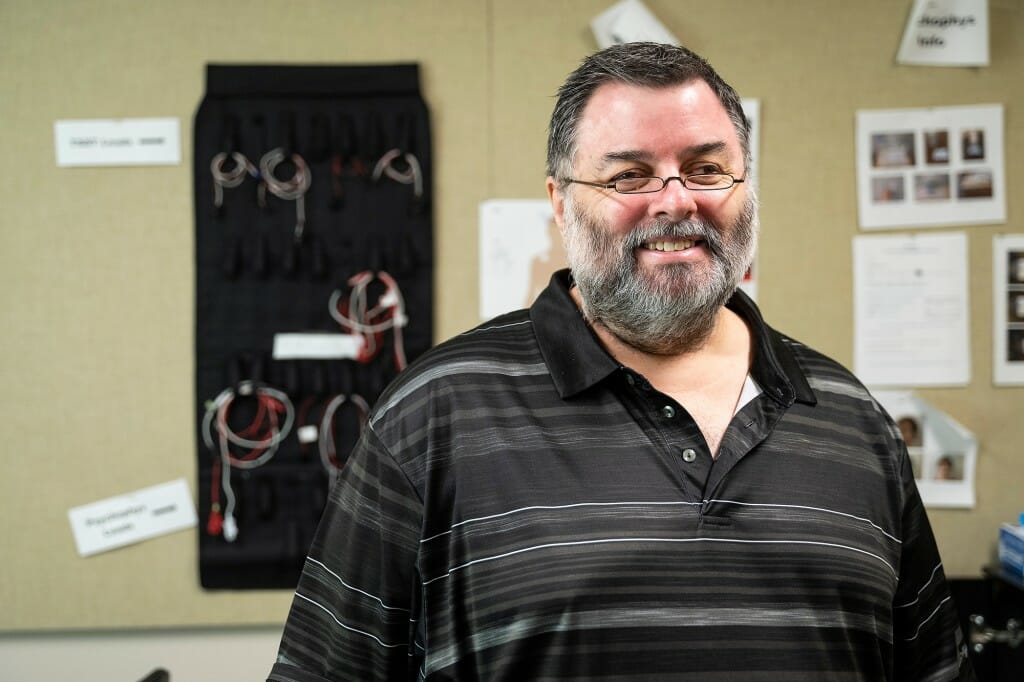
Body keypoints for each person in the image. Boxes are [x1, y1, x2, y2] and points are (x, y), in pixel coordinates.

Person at [269, 42, 973, 681]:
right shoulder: (434, 416)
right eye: (629, 176)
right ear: (560, 203)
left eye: (706, 168)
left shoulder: (852, 419)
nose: (675, 201)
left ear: (746, 188)